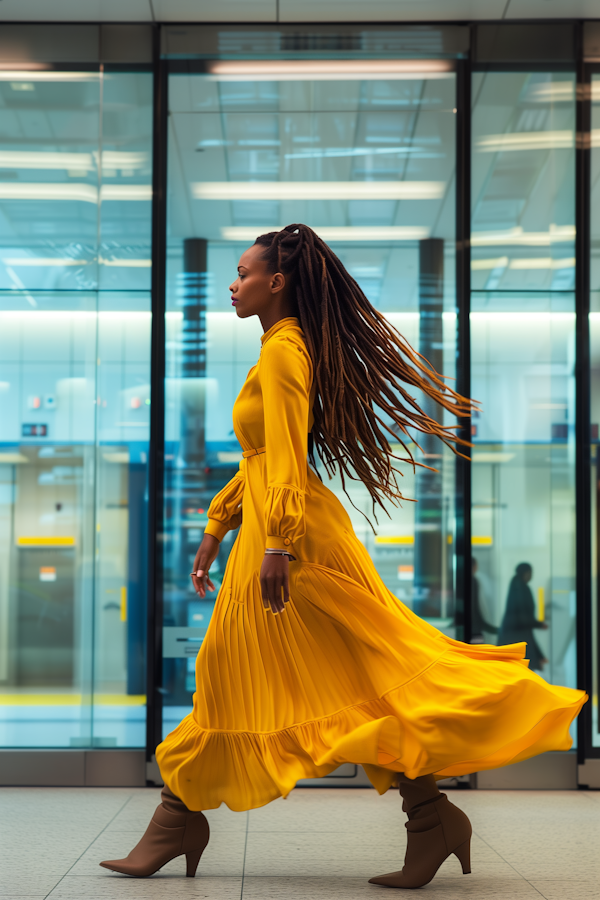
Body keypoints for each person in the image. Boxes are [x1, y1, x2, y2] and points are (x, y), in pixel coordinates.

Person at [101, 224, 586, 889]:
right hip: (277, 530)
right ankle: (427, 817)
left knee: (279, 673)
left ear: (278, 282)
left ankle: (181, 819)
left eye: (243, 274)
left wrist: (275, 542)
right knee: (319, 676)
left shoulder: (283, 352)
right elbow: (265, 457)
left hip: (290, 540)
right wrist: (219, 526)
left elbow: (288, 457)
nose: (232, 286)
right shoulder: (278, 348)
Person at [498, 563, 548, 672]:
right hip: (517, 639)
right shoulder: (520, 587)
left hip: (513, 637)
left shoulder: (516, 585)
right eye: (531, 573)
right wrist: (538, 624)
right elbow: (523, 617)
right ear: (526, 573)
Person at [471, 557, 499, 643]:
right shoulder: (473, 581)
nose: (477, 568)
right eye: (476, 565)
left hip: (474, 628)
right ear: (474, 566)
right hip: (474, 630)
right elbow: (474, 608)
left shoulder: (471, 580)